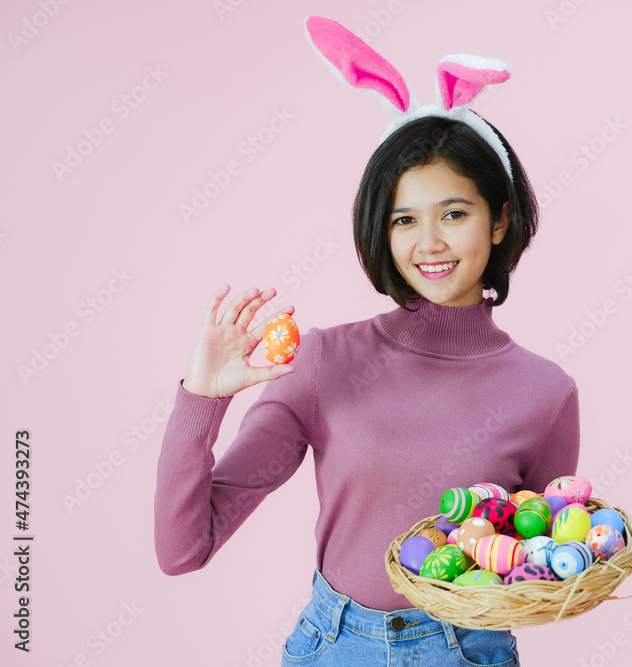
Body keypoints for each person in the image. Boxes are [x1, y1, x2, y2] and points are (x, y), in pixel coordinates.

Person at [153, 16, 580, 667]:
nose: (428, 242)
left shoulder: (546, 394)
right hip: (335, 646)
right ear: (381, 230)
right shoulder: (325, 362)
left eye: (454, 213)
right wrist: (200, 401)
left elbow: (535, 572)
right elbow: (183, 548)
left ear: (499, 221)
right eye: (405, 218)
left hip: (465, 652)